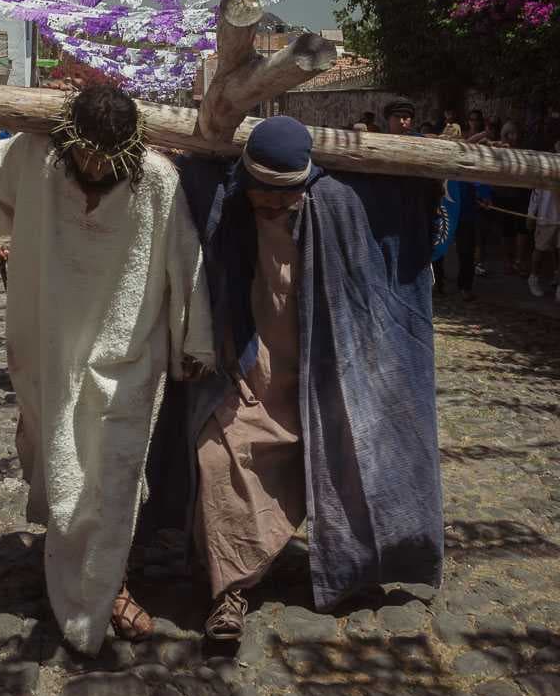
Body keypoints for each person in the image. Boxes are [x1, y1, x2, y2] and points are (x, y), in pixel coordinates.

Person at [145, 115, 443, 641]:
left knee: (359, 460)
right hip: (256, 370)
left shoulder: (336, 204)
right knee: (218, 456)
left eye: (285, 195)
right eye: (262, 192)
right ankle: (228, 590)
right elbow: (186, 171)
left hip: (328, 373)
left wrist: (432, 173)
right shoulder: (228, 205)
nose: (272, 203)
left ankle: (356, 561)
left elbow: (408, 209)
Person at [0, 84, 215, 655]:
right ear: (68, 139)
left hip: (127, 361)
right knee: (61, 469)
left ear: (131, 150)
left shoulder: (157, 179)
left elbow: (184, 260)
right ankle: (79, 571)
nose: (93, 168)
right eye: (85, 155)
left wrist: (194, 340)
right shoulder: (36, 159)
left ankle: (106, 588)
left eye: (106, 160)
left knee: (114, 476)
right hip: (48, 354)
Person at [432, 181, 492, 301]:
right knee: (438, 244)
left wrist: (485, 195)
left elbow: (479, 178)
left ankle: (465, 286)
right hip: (443, 205)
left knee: (466, 251)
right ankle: (436, 282)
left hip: (465, 208)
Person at [491, 120, 531, 276]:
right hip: (503, 194)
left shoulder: (524, 150)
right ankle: (508, 261)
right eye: (510, 133)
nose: (514, 136)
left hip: (521, 193)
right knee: (506, 229)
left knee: (522, 228)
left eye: (515, 133)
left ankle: (519, 261)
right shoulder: (498, 149)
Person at [527, 141, 560, 301]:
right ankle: (533, 278)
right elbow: (536, 194)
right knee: (540, 250)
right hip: (546, 217)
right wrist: (531, 214)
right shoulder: (546, 167)